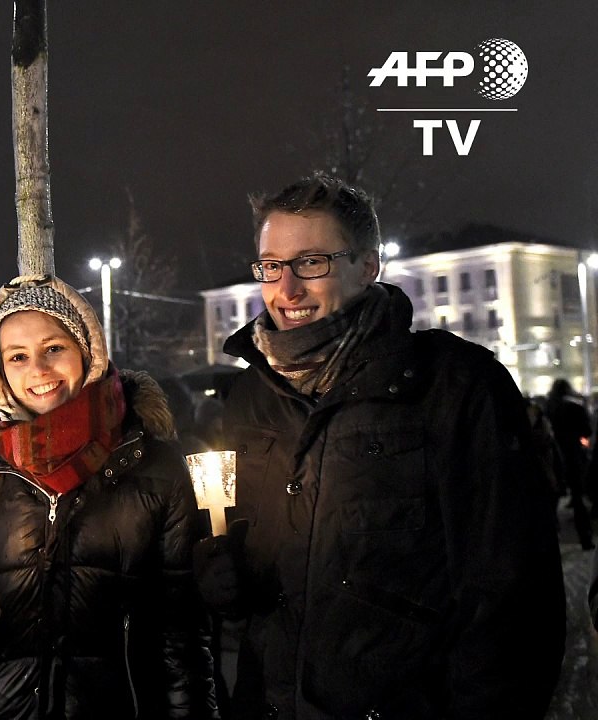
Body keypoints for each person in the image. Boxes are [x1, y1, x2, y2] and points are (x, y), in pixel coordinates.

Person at [200, 174, 564, 718]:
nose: (287, 289)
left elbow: (510, 595)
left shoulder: (453, 386)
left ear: (368, 266)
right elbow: (233, 533)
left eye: (312, 262)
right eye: (272, 265)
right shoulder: (251, 395)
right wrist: (218, 566)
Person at [0, 274, 217, 719]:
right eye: (18, 356)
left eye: (54, 348)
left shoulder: (154, 468)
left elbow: (180, 635)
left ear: (87, 349)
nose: (38, 371)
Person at [547, 378, 595, 549]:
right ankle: (585, 538)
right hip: (573, 455)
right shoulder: (575, 408)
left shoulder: (548, 408)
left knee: (550, 502)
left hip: (552, 456)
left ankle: (552, 539)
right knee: (578, 497)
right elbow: (587, 431)